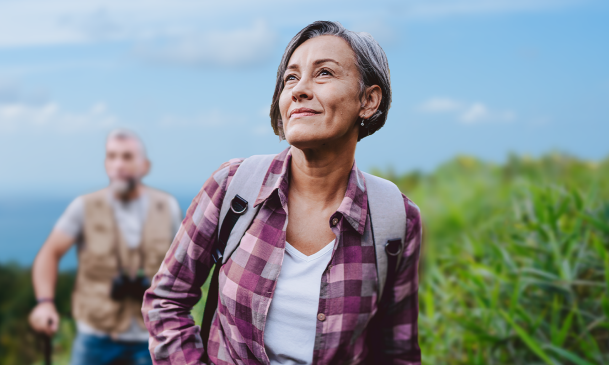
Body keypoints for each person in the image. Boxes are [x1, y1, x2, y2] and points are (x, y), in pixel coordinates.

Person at [142, 21, 423, 364]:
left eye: (324, 73)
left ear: (368, 101)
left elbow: (398, 350)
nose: (299, 90)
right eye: (291, 78)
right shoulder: (233, 186)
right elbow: (166, 299)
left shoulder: (395, 219)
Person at [30, 129, 183, 365]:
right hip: (95, 337)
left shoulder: (168, 207)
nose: (118, 164)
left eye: (127, 157)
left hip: (152, 337)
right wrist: (45, 303)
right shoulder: (84, 207)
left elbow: (183, 266)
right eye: (112, 156)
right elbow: (50, 253)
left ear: (145, 165)